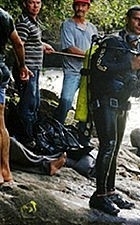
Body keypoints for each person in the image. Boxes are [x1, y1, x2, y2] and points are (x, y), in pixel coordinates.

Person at [88, 5, 140, 215]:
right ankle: (98, 196)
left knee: (115, 149)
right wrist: (129, 64)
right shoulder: (112, 42)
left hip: (122, 104)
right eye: (137, 19)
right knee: (107, 146)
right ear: (128, 19)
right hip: (104, 101)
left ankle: (109, 191)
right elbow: (98, 67)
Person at [54, 0, 97, 146]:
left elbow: (96, 48)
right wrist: (90, 55)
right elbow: (70, 48)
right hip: (72, 71)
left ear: (88, 8)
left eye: (83, 6)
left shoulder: (92, 28)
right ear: (74, 7)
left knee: (87, 105)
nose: (80, 8)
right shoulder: (67, 25)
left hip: (88, 73)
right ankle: (55, 130)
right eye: (78, 5)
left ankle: (83, 136)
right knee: (66, 100)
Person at [14, 0, 55, 148]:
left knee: (35, 103)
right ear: (25, 3)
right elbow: (18, 45)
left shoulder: (34, 22)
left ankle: (31, 135)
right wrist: (22, 67)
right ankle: (25, 139)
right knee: (28, 105)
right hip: (27, 70)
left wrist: (42, 45)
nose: (35, 6)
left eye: (38, 2)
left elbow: (31, 41)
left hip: (35, 69)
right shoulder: (24, 22)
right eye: (32, 2)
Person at [0, 7, 32, 184]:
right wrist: (22, 66)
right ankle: (5, 171)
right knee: (0, 123)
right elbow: (18, 43)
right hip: (1, 71)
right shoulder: (4, 16)